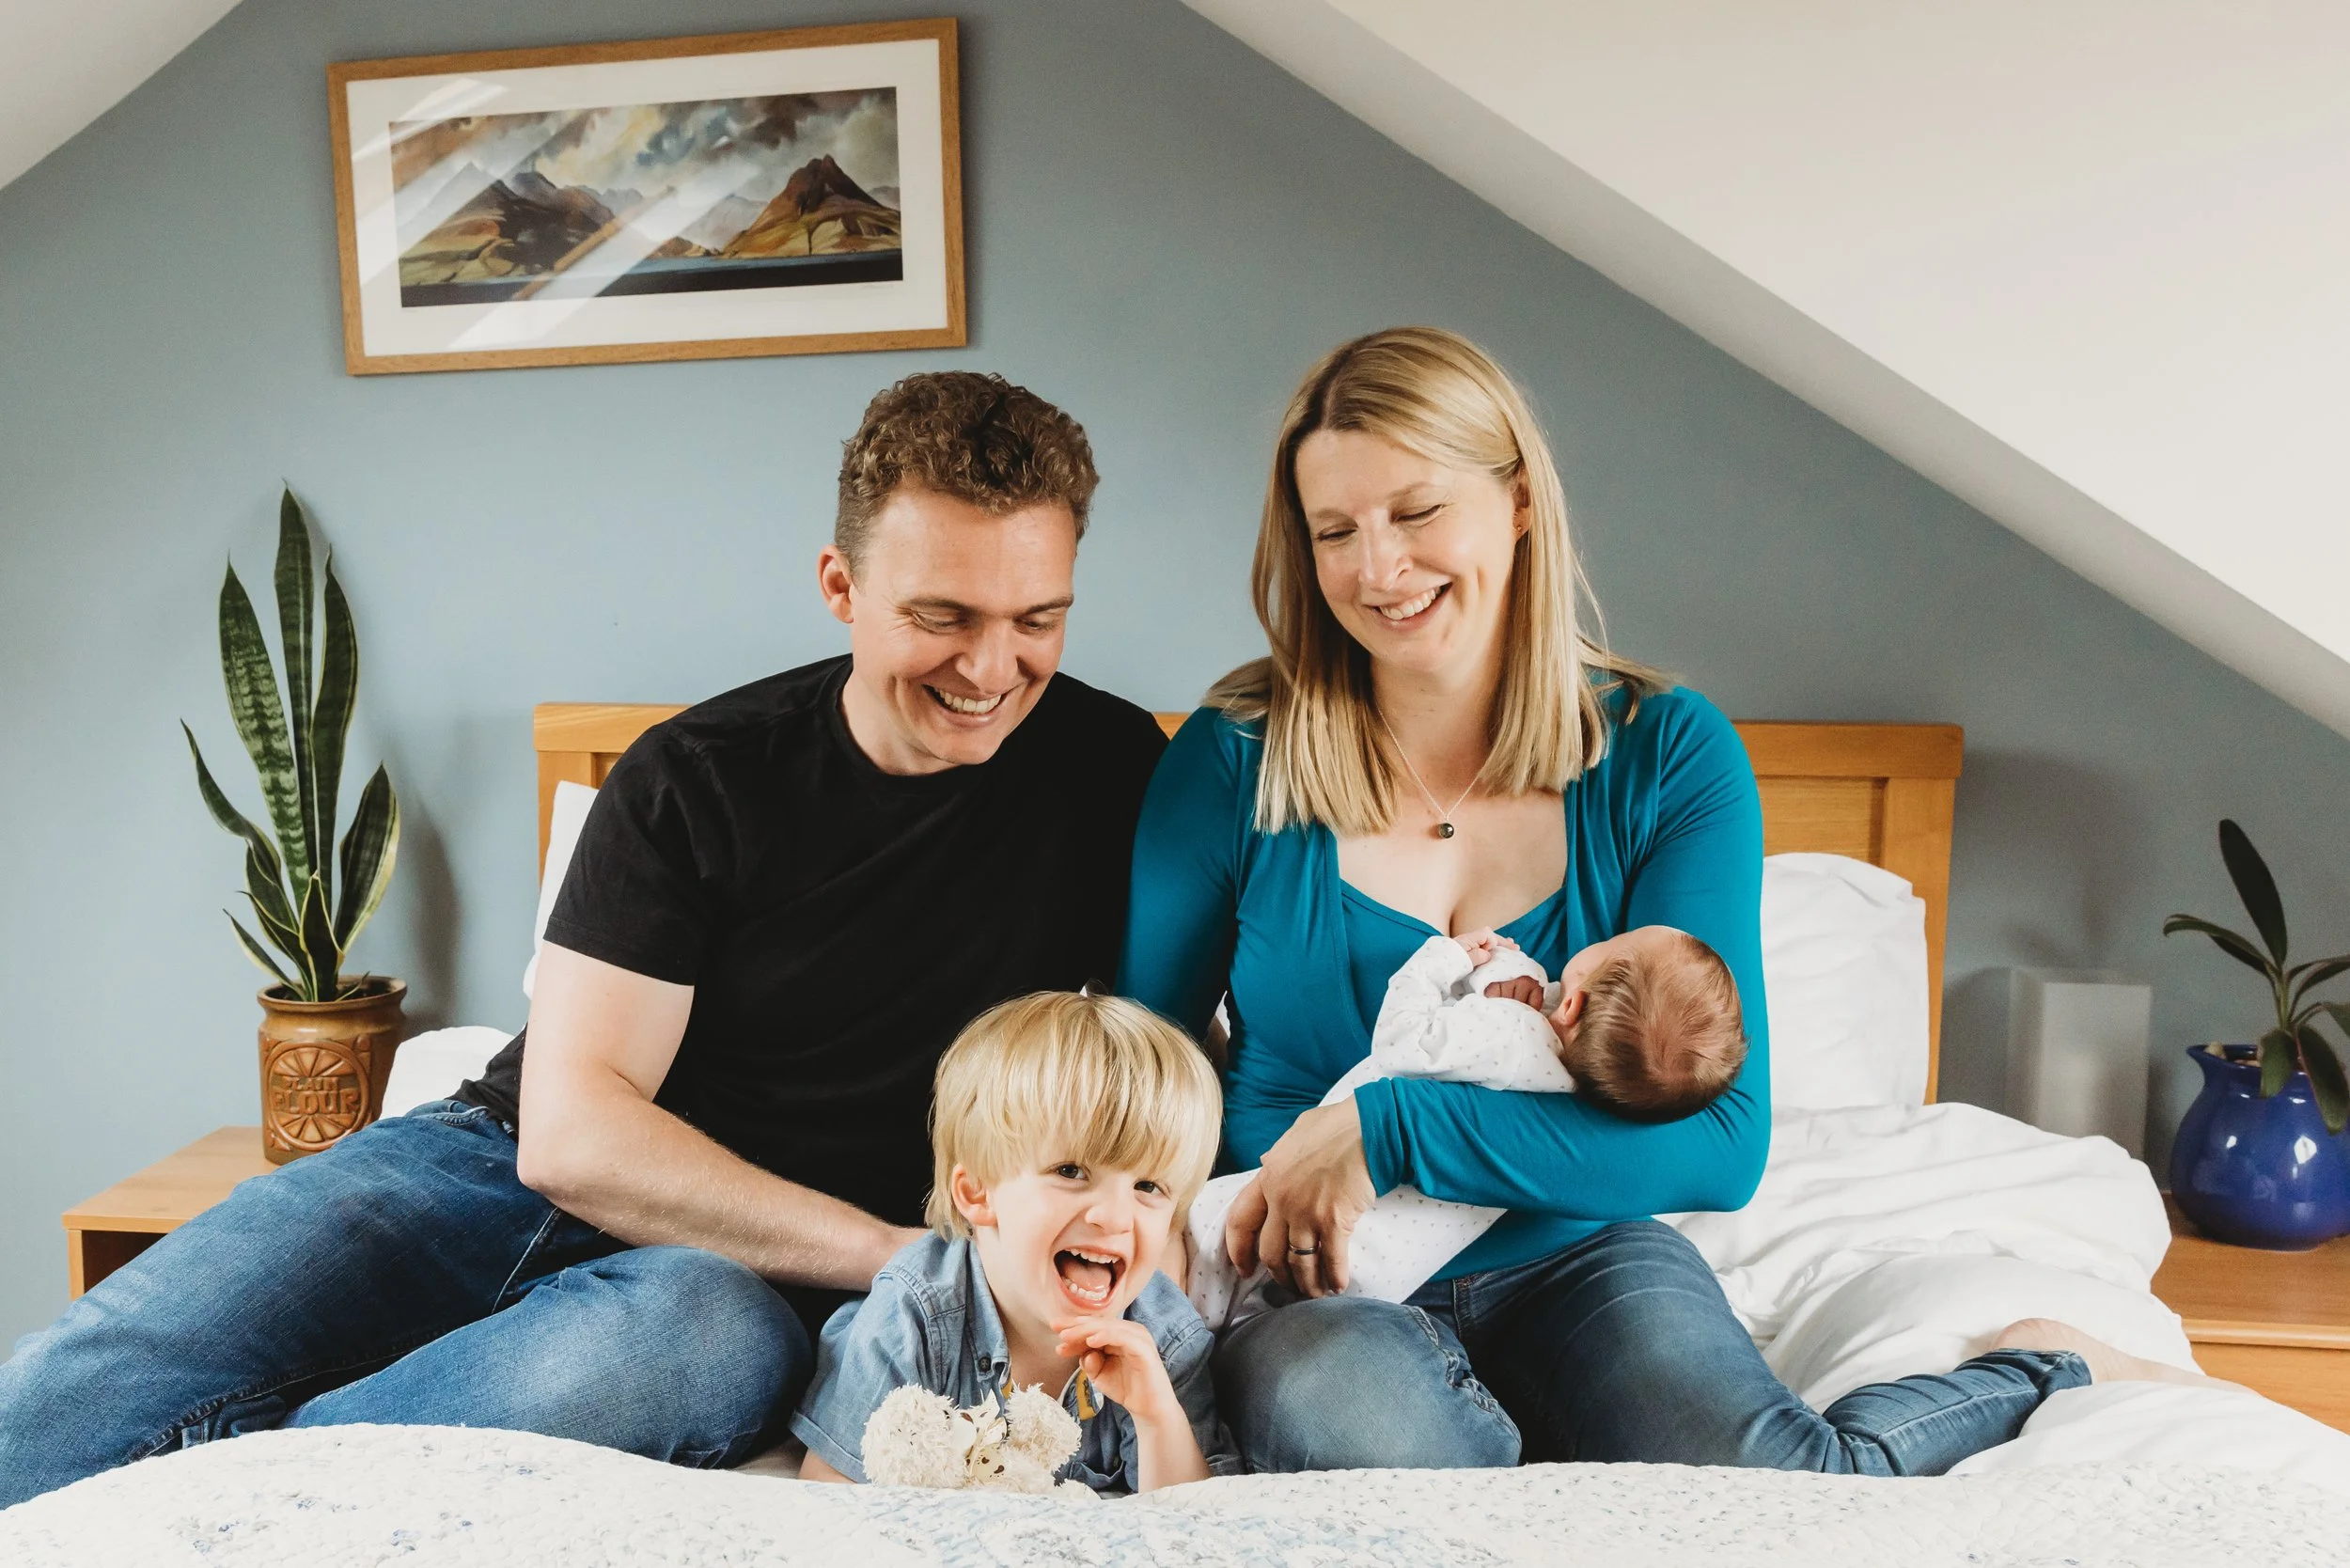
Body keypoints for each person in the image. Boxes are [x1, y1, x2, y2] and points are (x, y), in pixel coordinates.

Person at [0, 371, 1169, 1508]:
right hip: (493, 1171)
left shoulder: (1124, 777)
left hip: (748, 1278)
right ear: (840, 584)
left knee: (673, 1343)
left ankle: (219, 1514)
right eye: (941, 617)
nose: (990, 668)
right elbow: (570, 1136)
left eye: (1037, 620)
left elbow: (1182, 1058)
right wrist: (896, 1255)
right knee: (95, 1377)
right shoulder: (697, 776)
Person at [1120, 325, 2206, 1476]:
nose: (1378, 568)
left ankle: (2041, 1363)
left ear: (1519, 502)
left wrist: (1388, 1131)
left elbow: (1720, 1143)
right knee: (1387, 1464)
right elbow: (1139, 1067)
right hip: (1318, 1282)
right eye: (1334, 531)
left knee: (1778, 1488)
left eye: (1417, 512)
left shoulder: (1667, 757)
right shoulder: (1234, 758)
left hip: (1576, 1259)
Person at [1181, 924, 1747, 1327]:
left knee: (1196, 1243)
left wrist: (1442, 960)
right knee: (1244, 1307)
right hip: (1378, 1277)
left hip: (1317, 1207)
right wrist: (1510, 983)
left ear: (1572, 1008)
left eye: (1610, 944)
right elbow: (1525, 1007)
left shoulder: (1510, 1035)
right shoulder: (1580, 1092)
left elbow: (1402, 1040)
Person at [791, 991, 1241, 1495]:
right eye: (1070, 1171)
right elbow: (831, 1492)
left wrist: (1157, 1416)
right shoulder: (910, 1315)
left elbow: (1192, 1519)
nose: (1115, 1217)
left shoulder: (1164, 1337)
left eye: (1148, 1186)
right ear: (978, 1193)